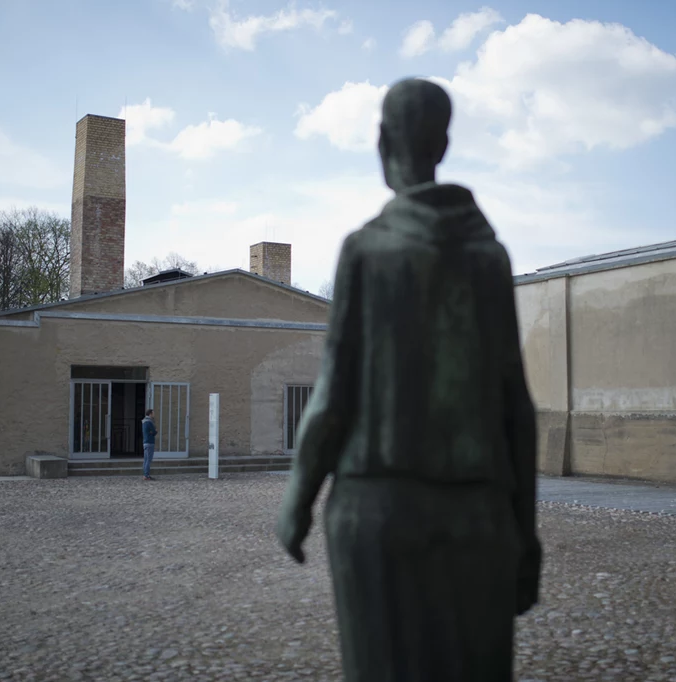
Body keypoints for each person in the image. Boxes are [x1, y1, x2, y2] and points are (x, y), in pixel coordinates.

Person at [275, 77, 541, 682]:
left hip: (380, 513)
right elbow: (515, 409)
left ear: (381, 140)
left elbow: (334, 393)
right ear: (443, 144)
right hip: (479, 513)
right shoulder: (489, 256)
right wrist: (526, 535)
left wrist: (297, 500)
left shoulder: (366, 251)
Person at [141, 409, 157, 481]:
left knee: (145, 460)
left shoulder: (144, 422)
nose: (154, 415)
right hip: (150, 442)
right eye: (153, 413)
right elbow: (154, 431)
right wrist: (155, 431)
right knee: (148, 460)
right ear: (150, 414)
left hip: (145, 442)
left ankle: (145, 474)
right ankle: (146, 475)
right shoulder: (149, 422)